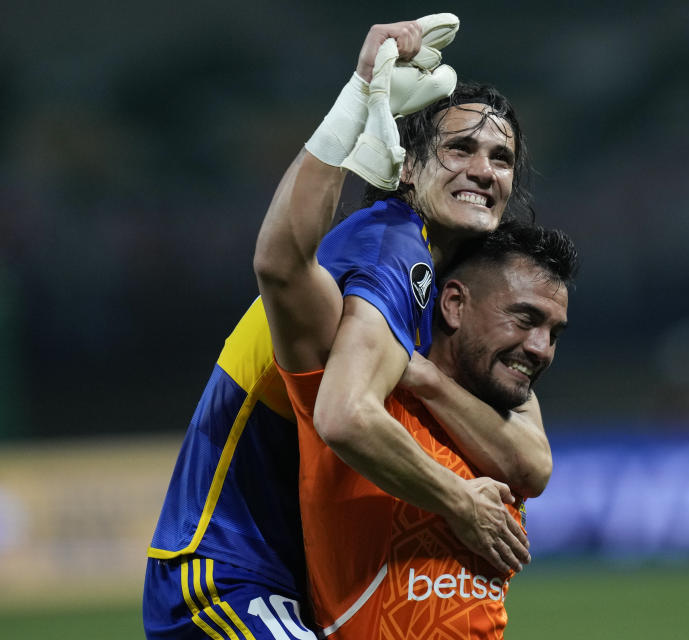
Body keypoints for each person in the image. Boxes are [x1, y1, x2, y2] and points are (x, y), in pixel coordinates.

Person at [144, 15, 550, 640]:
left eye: (501, 158)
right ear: (408, 170)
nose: (484, 169)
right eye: (460, 148)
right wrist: (458, 500)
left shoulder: (452, 285)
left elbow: (531, 458)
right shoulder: (392, 244)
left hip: (296, 586)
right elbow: (340, 407)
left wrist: (432, 383)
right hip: (223, 566)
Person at [272, 223, 578, 638]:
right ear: (453, 303)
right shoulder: (358, 385)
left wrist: (426, 378)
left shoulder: (503, 402)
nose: (542, 348)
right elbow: (280, 266)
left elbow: (536, 469)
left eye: (554, 334)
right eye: (525, 319)